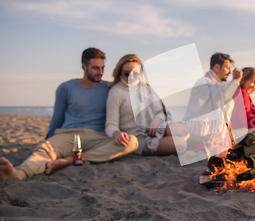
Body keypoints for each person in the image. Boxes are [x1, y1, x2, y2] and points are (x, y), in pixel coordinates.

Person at [0, 48, 138, 181]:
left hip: (99, 137)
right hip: (69, 136)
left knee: (131, 142)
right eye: (95, 68)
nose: (100, 72)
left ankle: (70, 160)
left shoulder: (110, 88)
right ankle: (18, 174)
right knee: (44, 151)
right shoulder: (66, 88)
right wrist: (46, 141)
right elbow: (57, 119)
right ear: (84, 67)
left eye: (102, 68)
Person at [105, 54, 190, 156]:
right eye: (127, 74)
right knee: (181, 144)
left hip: (157, 128)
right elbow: (110, 124)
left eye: (135, 74)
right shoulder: (116, 92)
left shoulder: (146, 88)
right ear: (119, 72)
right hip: (139, 137)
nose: (131, 77)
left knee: (184, 131)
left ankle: (170, 143)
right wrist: (116, 133)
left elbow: (161, 112)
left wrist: (156, 120)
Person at [182, 52, 243, 145]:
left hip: (204, 131)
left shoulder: (215, 84)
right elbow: (223, 95)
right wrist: (236, 80)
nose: (230, 72)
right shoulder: (205, 83)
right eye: (227, 68)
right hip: (196, 132)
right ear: (217, 67)